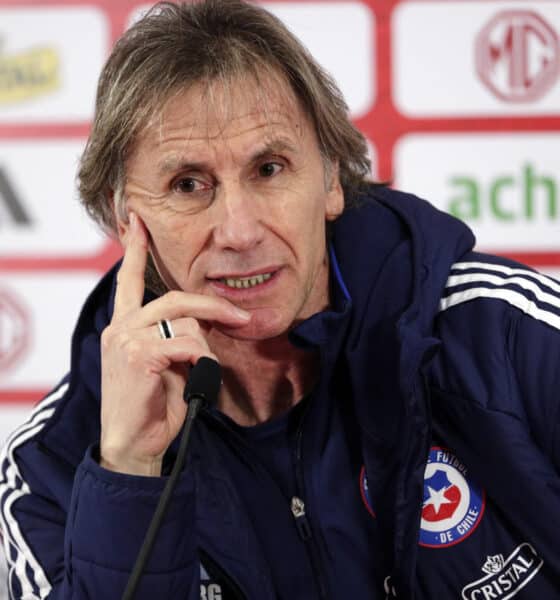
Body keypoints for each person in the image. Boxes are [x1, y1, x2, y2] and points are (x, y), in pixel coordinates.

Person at [1, 1, 559, 598]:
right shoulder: (51, 462)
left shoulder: (504, 334)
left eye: (269, 168)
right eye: (188, 185)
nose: (239, 231)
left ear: (330, 179)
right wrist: (132, 474)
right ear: (124, 215)